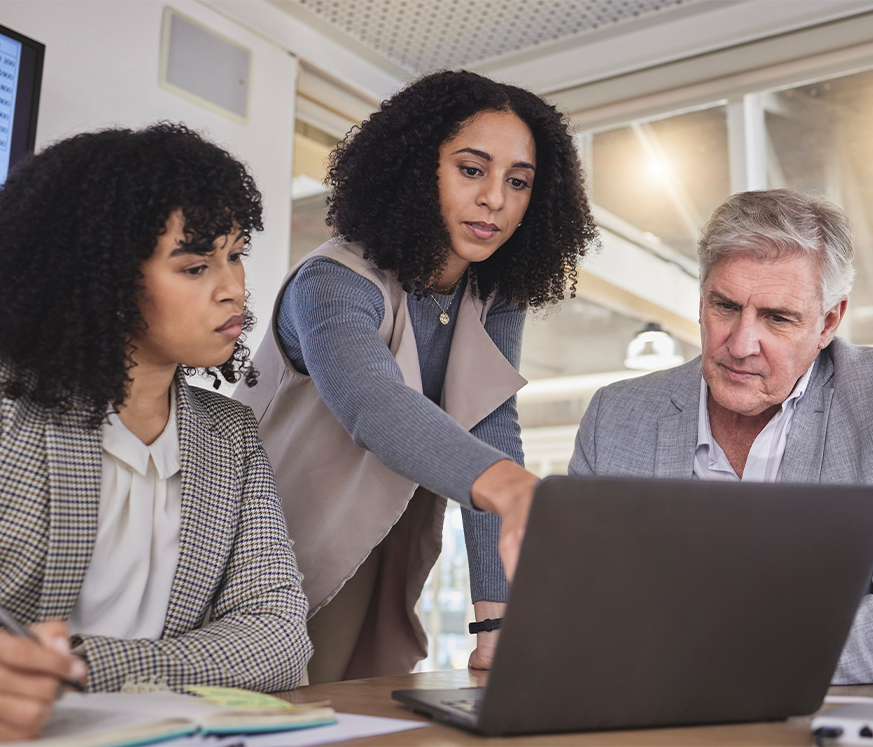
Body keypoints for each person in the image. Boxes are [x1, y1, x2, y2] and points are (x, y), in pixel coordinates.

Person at [237, 70, 599, 681]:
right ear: (414, 168)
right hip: (277, 556)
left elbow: (491, 431)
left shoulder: (492, 298)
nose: (495, 199)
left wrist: (495, 622)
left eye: (518, 182)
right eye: (471, 169)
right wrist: (512, 488)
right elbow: (374, 406)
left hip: (387, 547)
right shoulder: (332, 281)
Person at [0, 123, 312, 741]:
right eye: (196, 266)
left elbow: (279, 637)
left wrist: (82, 666)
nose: (234, 289)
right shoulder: (11, 409)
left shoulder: (230, 434)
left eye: (236, 253)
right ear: (104, 280)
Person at [569, 187, 873, 684]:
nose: (740, 344)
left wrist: (722, 645)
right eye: (725, 306)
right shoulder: (617, 416)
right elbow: (580, 601)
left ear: (829, 322)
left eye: (777, 318)